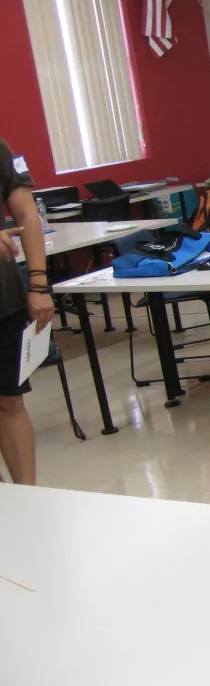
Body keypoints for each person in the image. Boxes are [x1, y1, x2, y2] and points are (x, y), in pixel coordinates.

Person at [0, 139, 54, 486]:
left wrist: (38, 285)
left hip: (4, 301)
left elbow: (25, 214)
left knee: (9, 402)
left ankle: (29, 499)